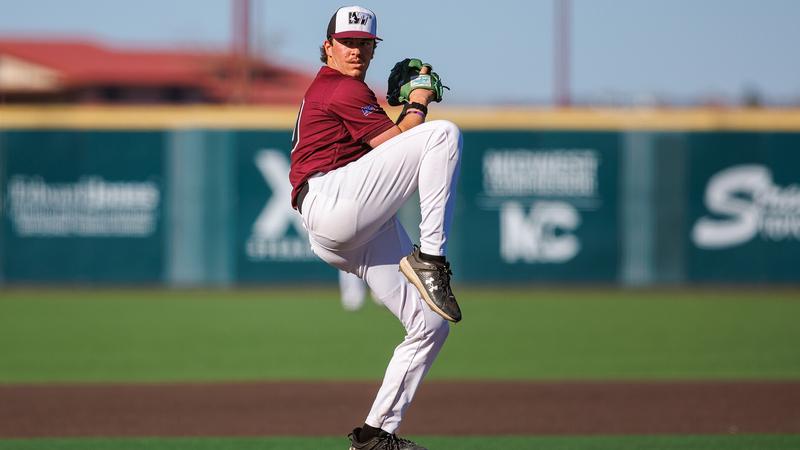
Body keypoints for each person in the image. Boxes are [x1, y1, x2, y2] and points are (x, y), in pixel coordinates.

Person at [289, 5, 462, 450]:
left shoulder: (350, 89)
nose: (357, 51)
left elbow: (388, 147)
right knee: (442, 136)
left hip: (353, 222)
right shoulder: (338, 87)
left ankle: (375, 434)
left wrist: (409, 107)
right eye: (348, 42)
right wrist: (419, 99)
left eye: (365, 44)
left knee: (429, 324)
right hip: (332, 200)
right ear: (327, 46)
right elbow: (404, 141)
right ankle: (432, 257)